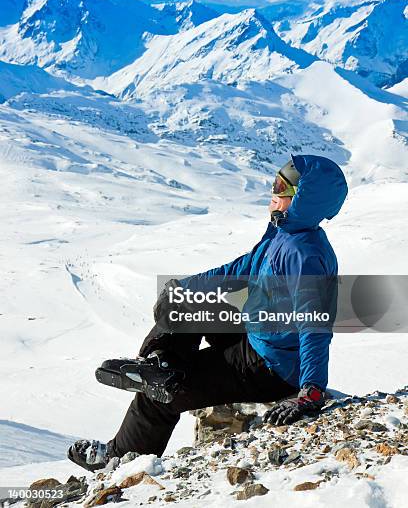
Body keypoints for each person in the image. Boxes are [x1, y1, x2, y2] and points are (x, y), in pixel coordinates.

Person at [68, 154, 348, 472]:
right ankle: (159, 363)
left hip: (271, 367)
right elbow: (238, 270)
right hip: (258, 333)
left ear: (305, 199)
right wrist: (183, 289)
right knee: (184, 307)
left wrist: (310, 390)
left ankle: (117, 457)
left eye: (282, 186)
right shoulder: (282, 236)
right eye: (274, 182)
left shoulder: (304, 254)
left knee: (161, 397)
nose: (273, 192)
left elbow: (315, 324)